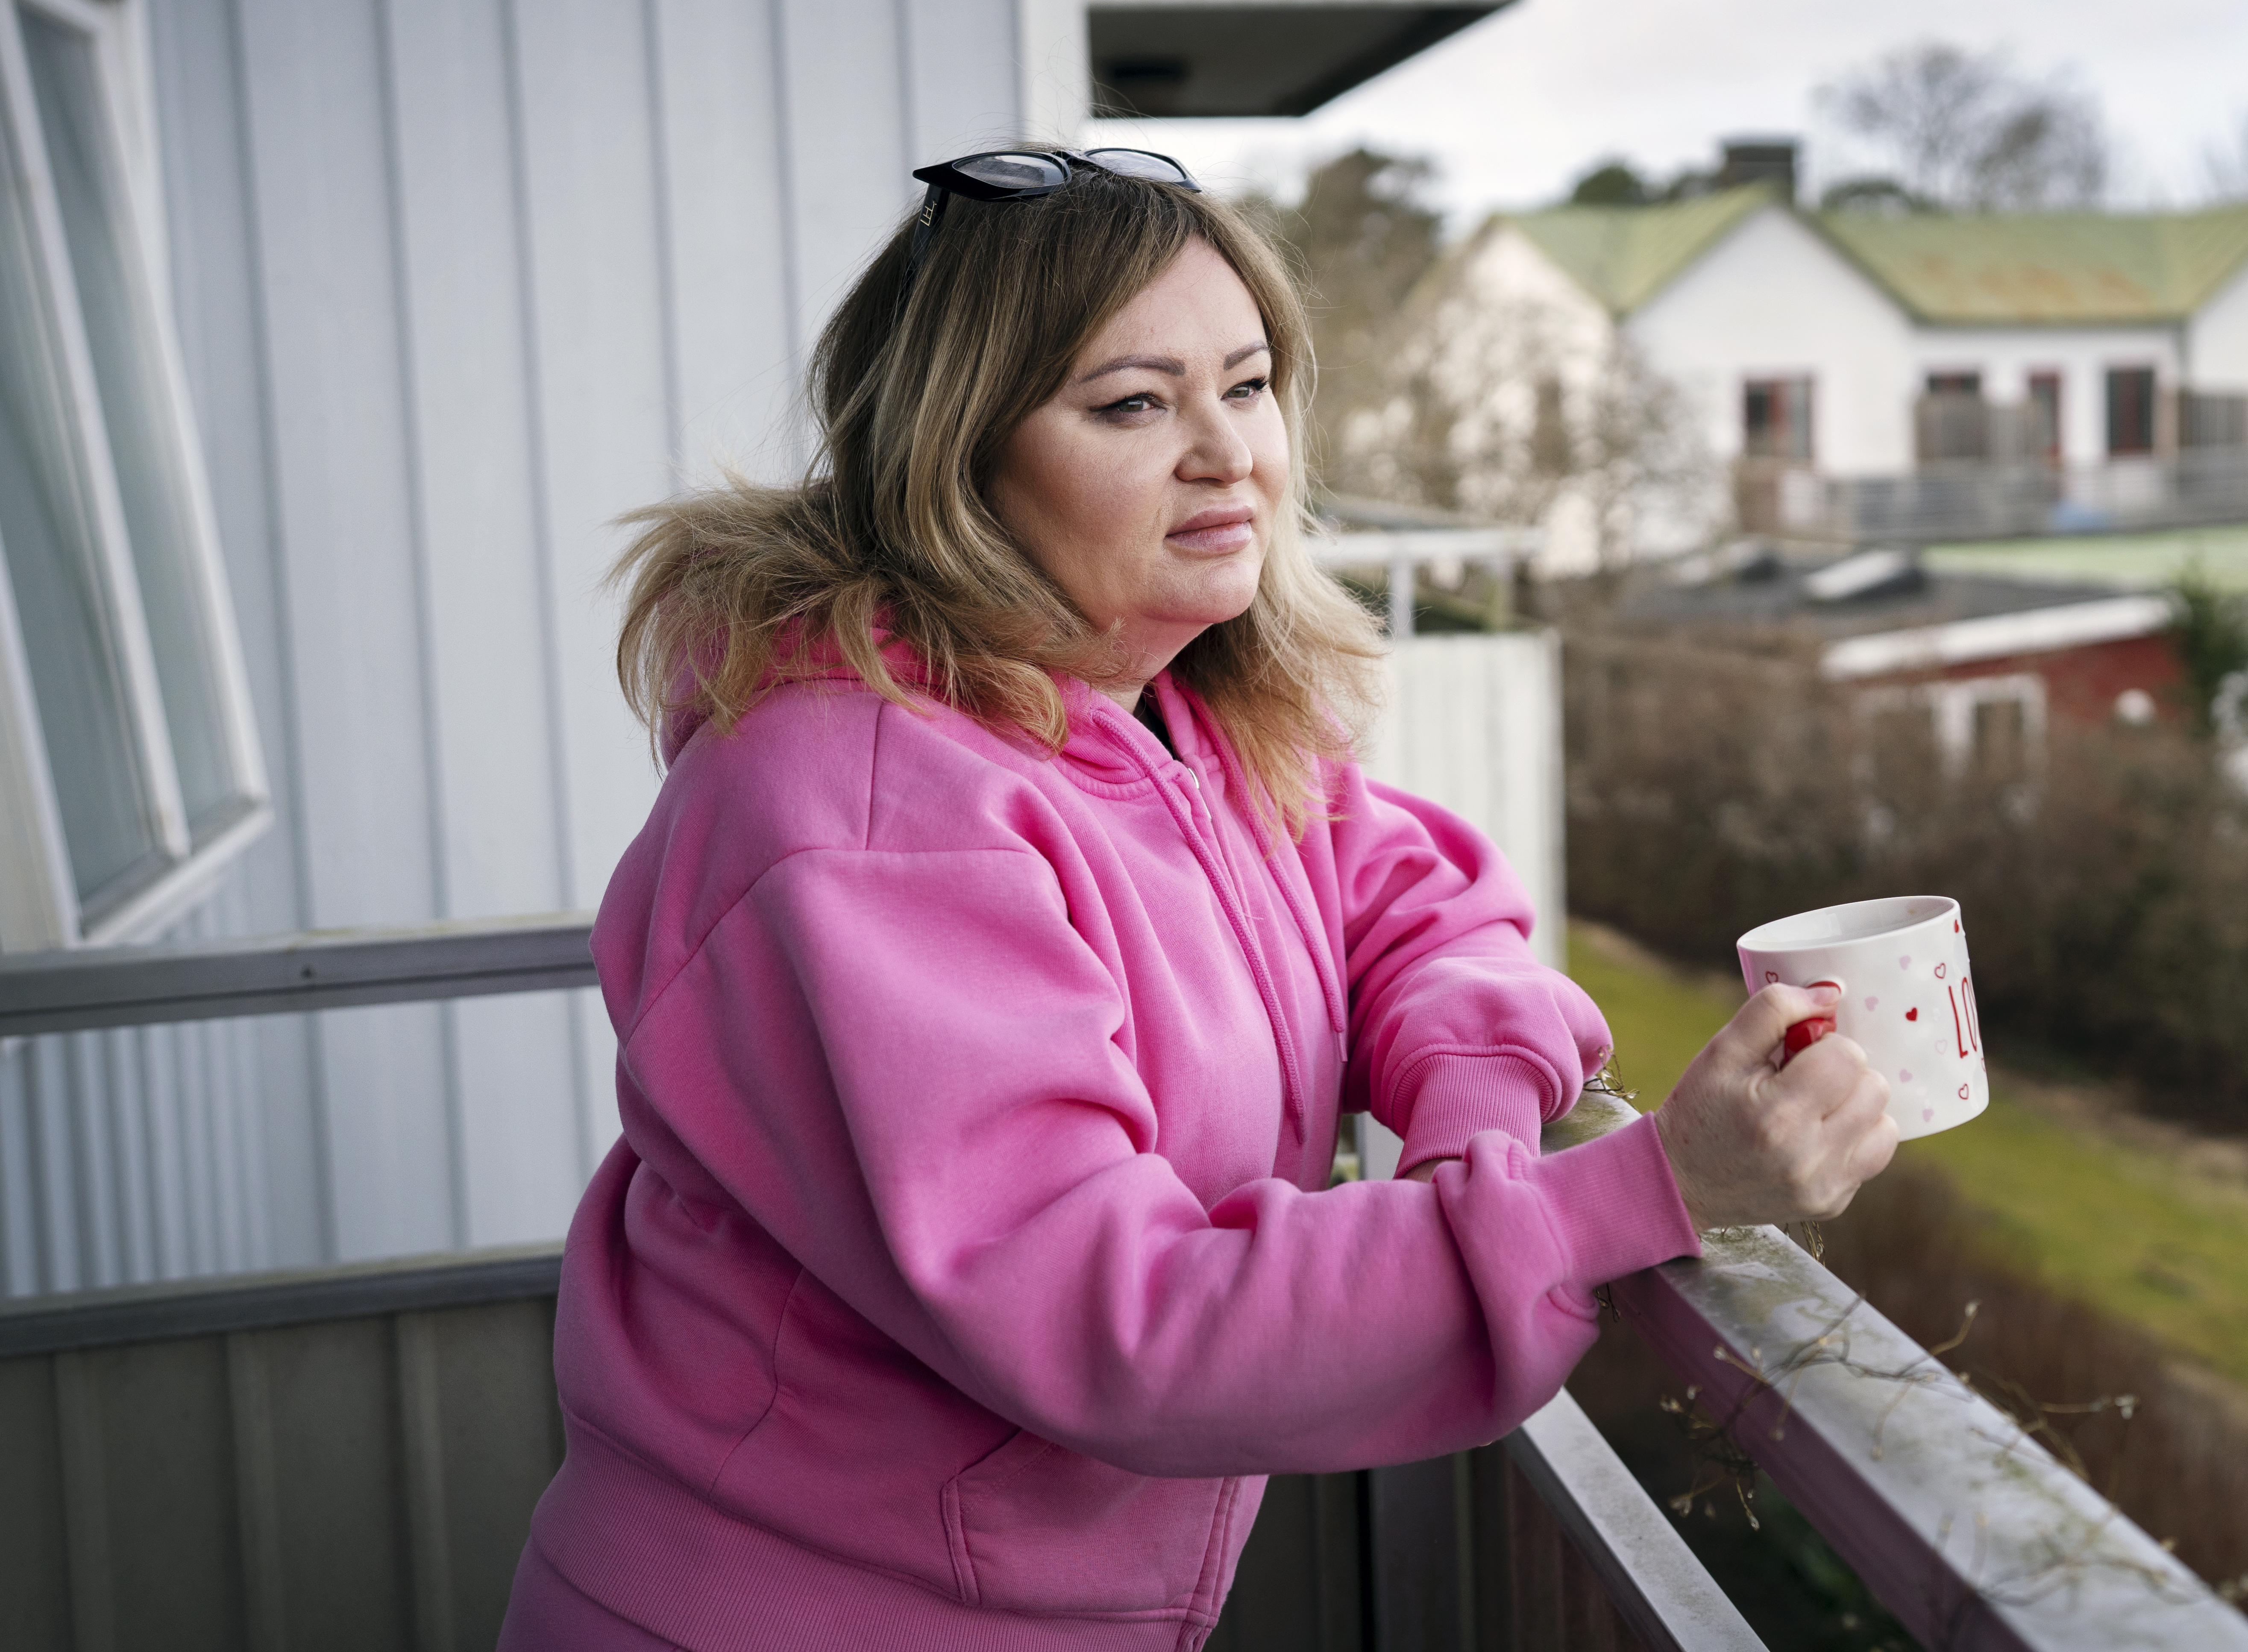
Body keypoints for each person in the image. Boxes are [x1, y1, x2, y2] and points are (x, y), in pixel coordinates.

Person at [496, 147, 1898, 1650]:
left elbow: (1409, 903)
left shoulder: (1180, 712)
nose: (1228, 452)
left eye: (1247, 384)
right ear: (958, 460)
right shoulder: (864, 811)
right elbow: (1122, 1317)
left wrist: (1474, 1120)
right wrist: (1643, 1194)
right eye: (1133, 404)